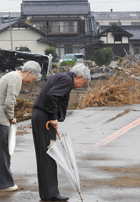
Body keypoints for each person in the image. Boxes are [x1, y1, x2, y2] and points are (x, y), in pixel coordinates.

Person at [31, 63, 91, 201]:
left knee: (45, 155)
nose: (82, 85)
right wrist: (53, 117)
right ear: (79, 76)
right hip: (45, 118)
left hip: (40, 116)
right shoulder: (67, 80)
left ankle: (48, 193)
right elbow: (52, 96)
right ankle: (51, 194)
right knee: (50, 155)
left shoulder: (61, 77)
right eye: (83, 82)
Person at [0, 61, 42, 192]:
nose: (30, 82)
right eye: (32, 78)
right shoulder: (17, 78)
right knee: (3, 152)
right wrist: (11, 118)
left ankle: (1, 183)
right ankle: (4, 184)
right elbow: (9, 102)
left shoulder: (9, 74)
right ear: (28, 73)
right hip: (0, 118)